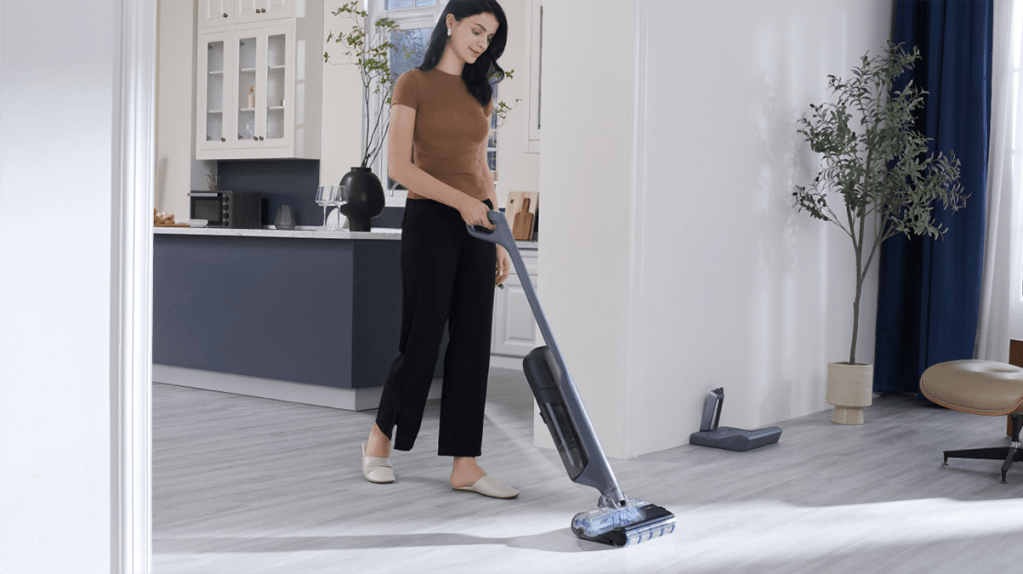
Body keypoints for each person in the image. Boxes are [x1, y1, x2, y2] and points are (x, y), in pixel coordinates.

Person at [360, 0, 518, 499]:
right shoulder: (413, 83)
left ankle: (465, 464)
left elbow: (479, 165)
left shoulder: (480, 91)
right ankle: (379, 441)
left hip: (477, 224)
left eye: (489, 38)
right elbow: (401, 169)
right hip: (431, 220)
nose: (481, 43)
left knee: (472, 343)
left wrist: (499, 232)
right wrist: (462, 204)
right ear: (450, 23)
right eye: (476, 30)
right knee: (423, 339)